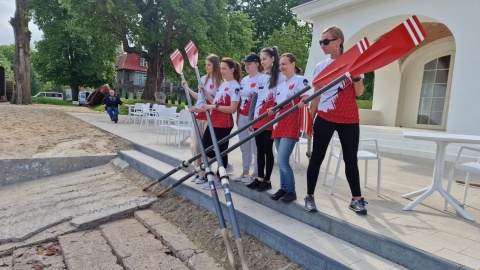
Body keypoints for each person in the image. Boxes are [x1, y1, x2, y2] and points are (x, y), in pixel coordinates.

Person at [304, 26, 367, 214]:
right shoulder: (320, 67)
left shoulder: (355, 62)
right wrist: (310, 121)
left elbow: (359, 93)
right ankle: (309, 196)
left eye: (326, 41)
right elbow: (316, 96)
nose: (322, 45)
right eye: (320, 42)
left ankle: (357, 199)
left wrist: (356, 76)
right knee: (316, 157)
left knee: (351, 160)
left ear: (338, 41)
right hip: (325, 116)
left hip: (349, 118)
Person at [268, 53, 311, 203]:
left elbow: (306, 98)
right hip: (278, 123)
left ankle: (291, 191)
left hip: (291, 123)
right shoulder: (281, 85)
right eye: (280, 65)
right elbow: (278, 104)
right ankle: (283, 188)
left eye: (284, 64)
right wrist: (273, 110)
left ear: (293, 64)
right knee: (281, 160)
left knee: (282, 159)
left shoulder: (301, 80)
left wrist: (304, 101)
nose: (281, 67)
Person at [197, 57, 242, 190]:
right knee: (206, 147)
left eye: (224, 69)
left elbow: (232, 109)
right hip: (214, 120)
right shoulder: (223, 84)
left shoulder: (235, 87)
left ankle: (220, 177)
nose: (221, 71)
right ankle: (224, 167)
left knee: (220, 151)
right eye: (220, 68)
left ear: (232, 70)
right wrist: (204, 99)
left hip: (224, 123)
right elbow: (214, 102)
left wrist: (214, 107)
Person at [181, 54, 226, 184]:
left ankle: (206, 173)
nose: (206, 67)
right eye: (205, 64)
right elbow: (199, 98)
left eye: (208, 65)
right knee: (194, 145)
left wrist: (206, 92)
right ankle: (198, 171)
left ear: (215, 66)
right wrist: (187, 88)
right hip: (197, 115)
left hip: (209, 116)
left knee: (206, 147)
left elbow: (215, 103)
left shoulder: (220, 82)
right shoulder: (203, 79)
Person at [247, 46, 285, 192]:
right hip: (258, 118)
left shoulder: (280, 77)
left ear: (273, 59)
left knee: (267, 150)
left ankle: (267, 180)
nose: (262, 61)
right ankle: (259, 178)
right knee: (259, 150)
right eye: (261, 59)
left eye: (264, 59)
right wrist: (252, 119)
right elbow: (255, 99)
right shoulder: (262, 77)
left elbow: (281, 99)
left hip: (270, 120)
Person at [235, 54, 262, 184]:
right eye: (245, 64)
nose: (246, 66)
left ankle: (255, 173)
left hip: (255, 117)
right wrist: (238, 116)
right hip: (242, 116)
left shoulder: (262, 78)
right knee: (244, 146)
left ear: (257, 64)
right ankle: (245, 171)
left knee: (255, 146)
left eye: (249, 64)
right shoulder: (244, 80)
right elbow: (240, 99)